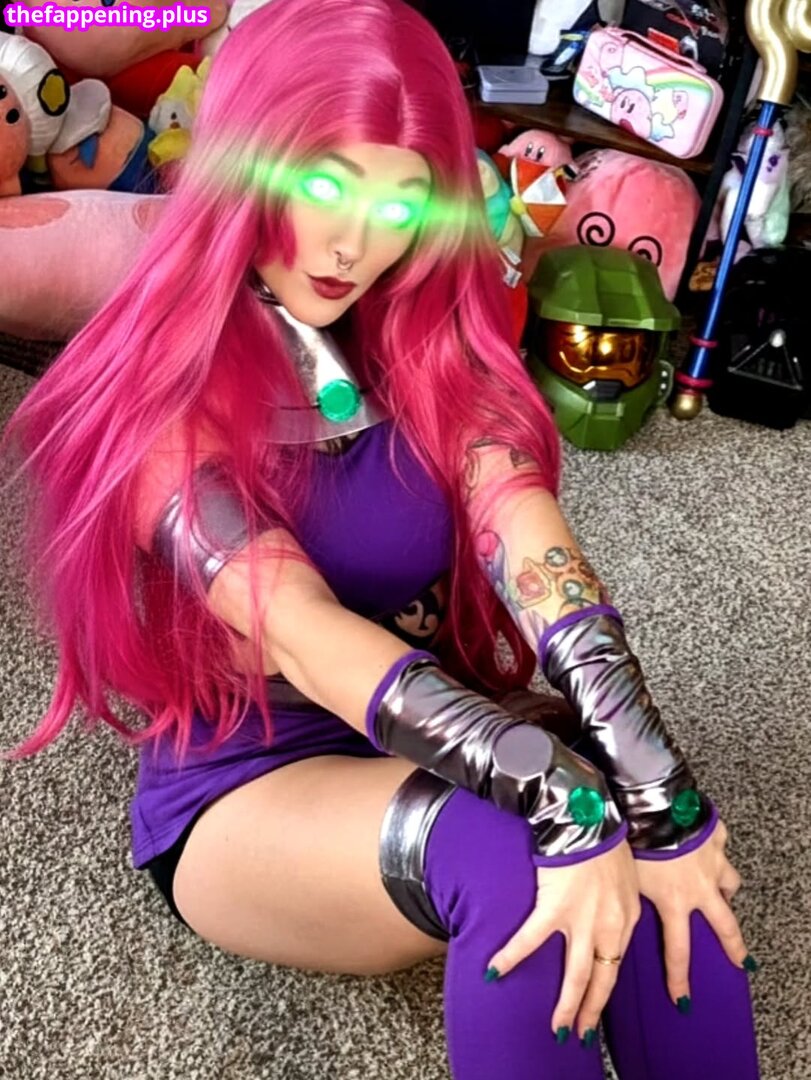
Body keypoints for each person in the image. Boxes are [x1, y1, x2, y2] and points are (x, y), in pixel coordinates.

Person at [2, 1, 760, 1077]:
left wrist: (659, 789)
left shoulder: (429, 343)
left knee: (653, 829)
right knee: (525, 854)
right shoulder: (163, 383)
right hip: (249, 781)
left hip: (427, 718)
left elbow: (530, 548)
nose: (353, 245)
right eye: (323, 188)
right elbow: (300, 631)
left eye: (399, 203)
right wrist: (558, 792)